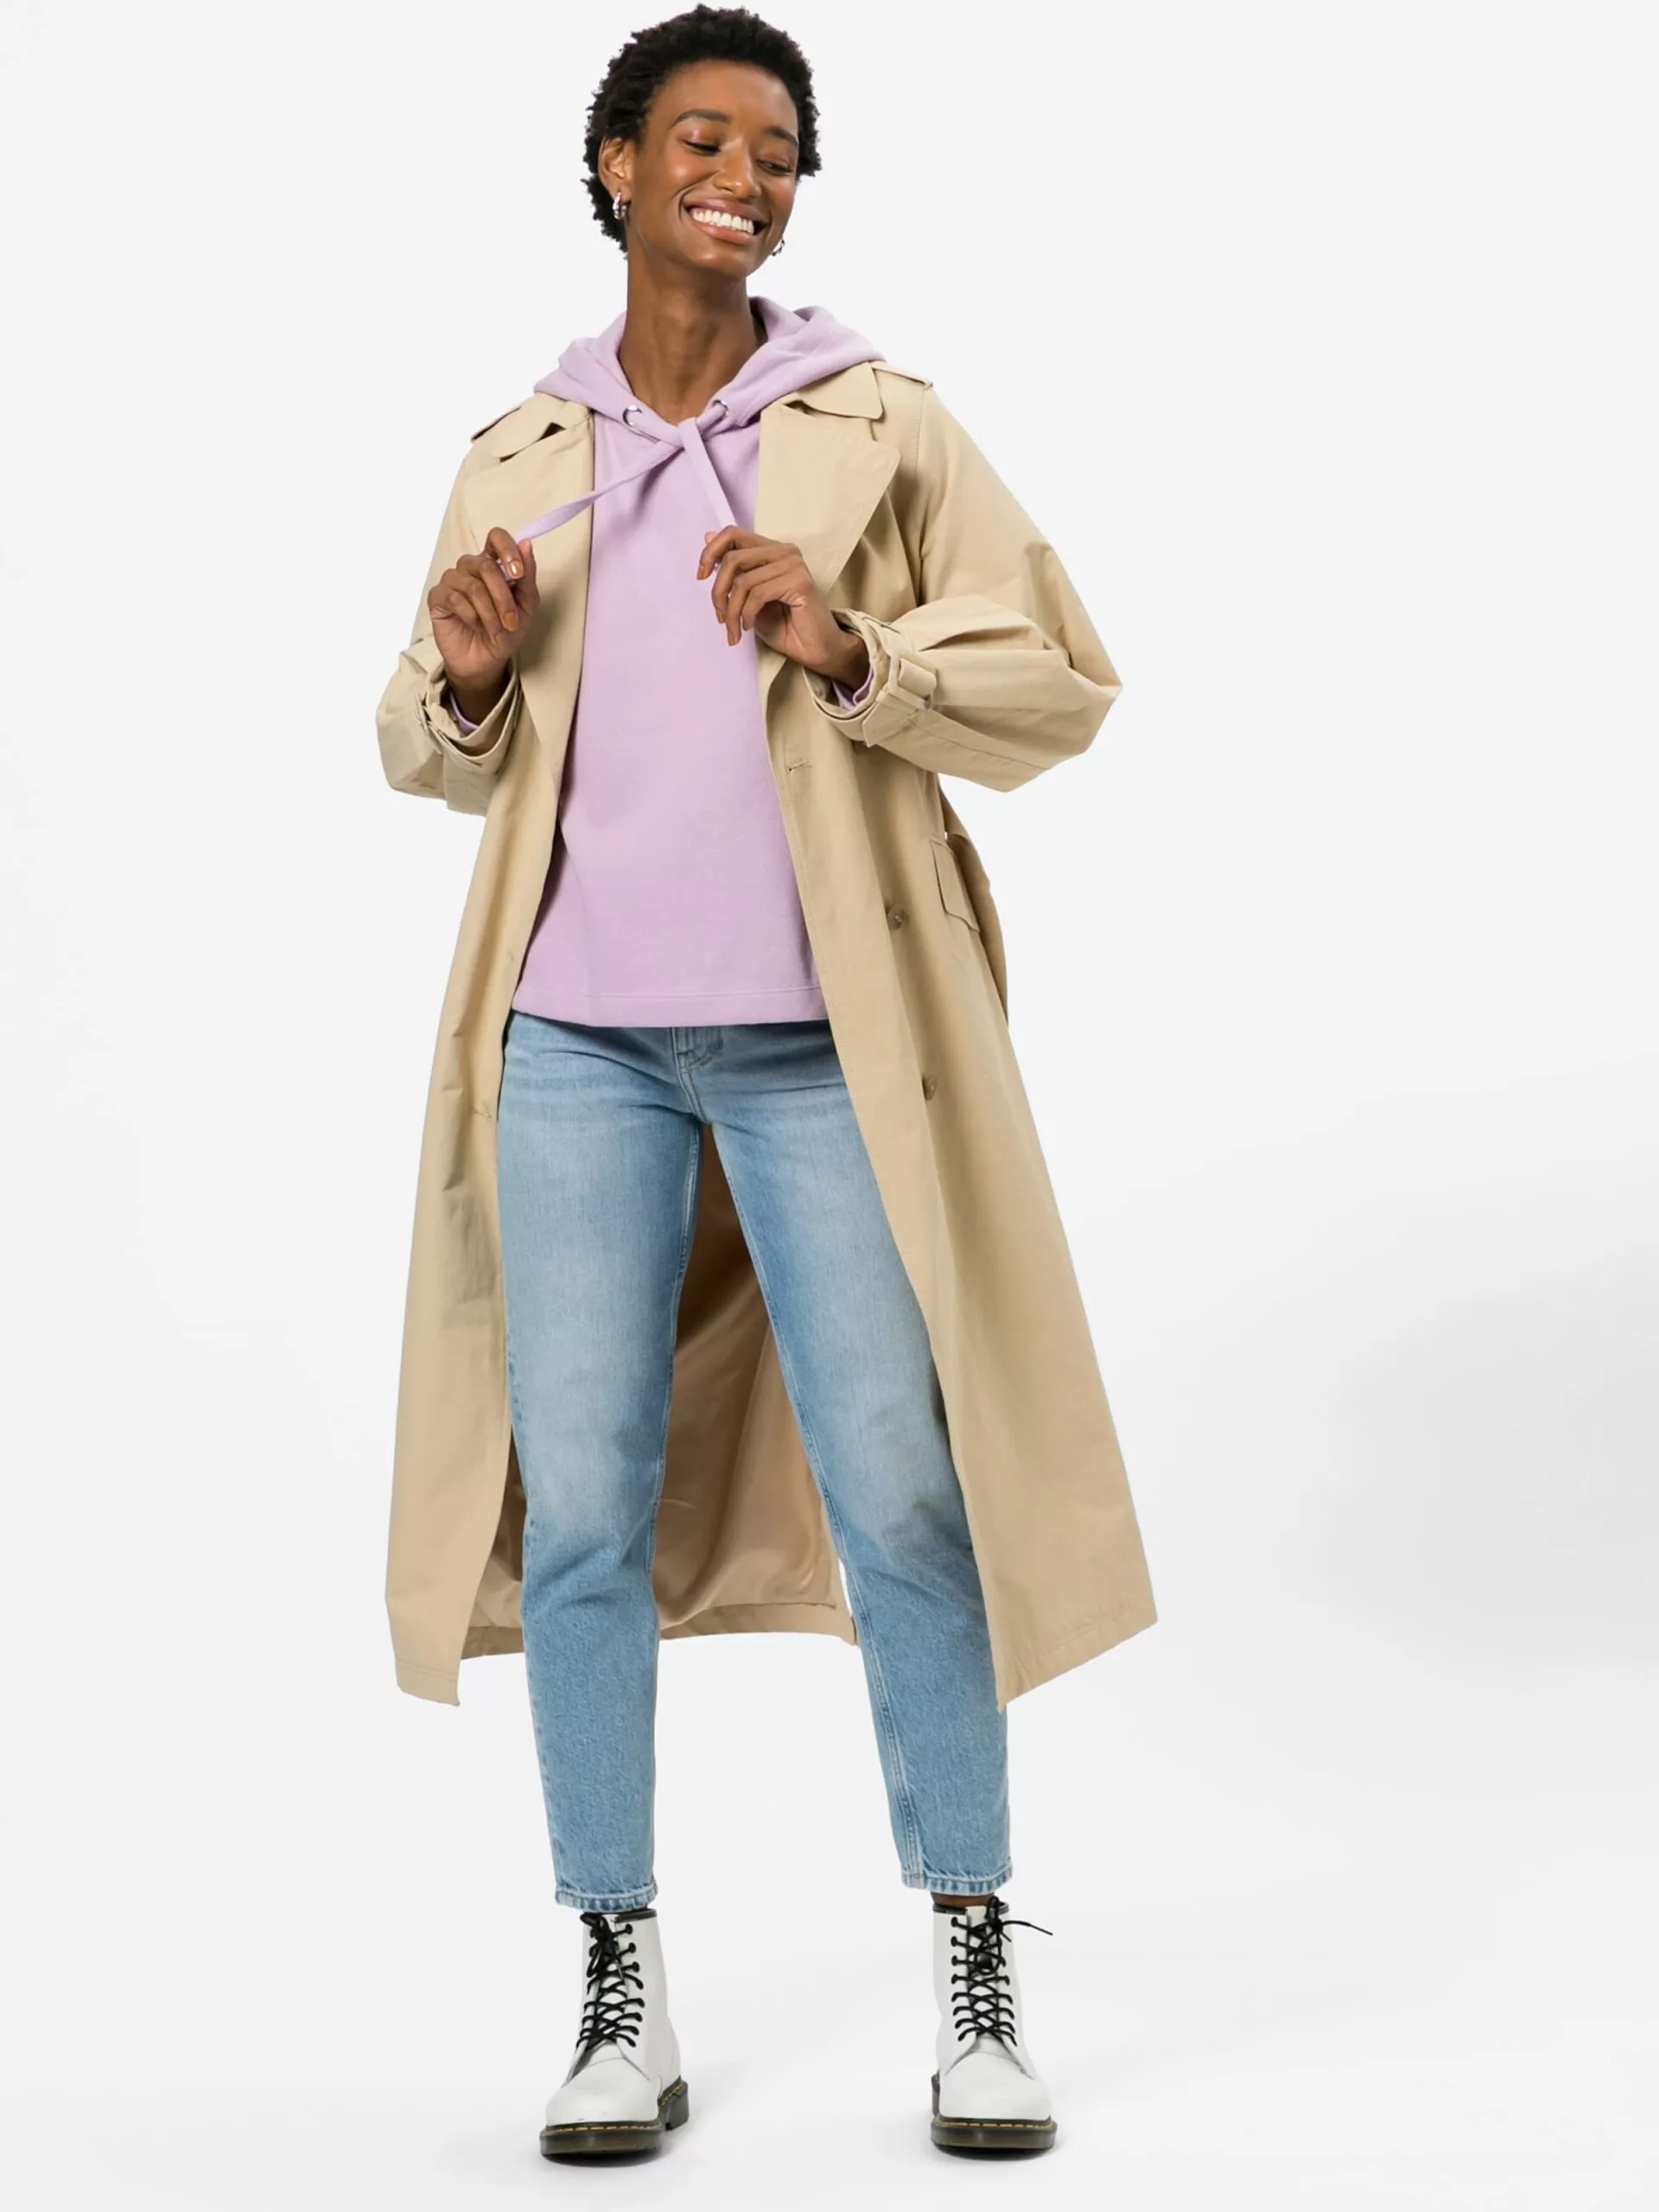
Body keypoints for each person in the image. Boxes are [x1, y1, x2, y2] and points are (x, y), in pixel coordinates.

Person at [375, 0, 1156, 2164]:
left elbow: (1061, 679)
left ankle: (975, 1958)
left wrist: (853, 643)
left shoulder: (880, 423)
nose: (745, 174)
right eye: (704, 138)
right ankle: (616, 1980)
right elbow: (422, 741)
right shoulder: (519, 454)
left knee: (905, 1490)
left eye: (779, 150)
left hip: (830, 1050)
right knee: (584, 1509)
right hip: (576, 1052)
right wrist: (461, 684)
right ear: (616, 166)